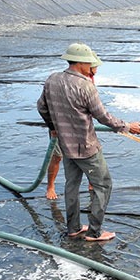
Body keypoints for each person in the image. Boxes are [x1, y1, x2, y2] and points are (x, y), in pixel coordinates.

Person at [37, 43, 140, 242]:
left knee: (71, 185)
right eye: (90, 63)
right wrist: (128, 126)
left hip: (65, 145)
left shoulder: (52, 79)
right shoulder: (85, 86)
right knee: (103, 185)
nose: (92, 67)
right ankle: (94, 232)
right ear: (81, 63)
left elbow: (42, 107)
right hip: (86, 147)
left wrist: (53, 127)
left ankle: (73, 228)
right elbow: (102, 116)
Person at [45, 51, 102, 200]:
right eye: (91, 71)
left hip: (80, 128)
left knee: (89, 153)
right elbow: (43, 105)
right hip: (62, 127)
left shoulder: (88, 80)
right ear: (83, 65)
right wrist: (53, 127)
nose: (92, 75)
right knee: (57, 156)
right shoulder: (61, 81)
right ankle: (50, 186)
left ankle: (92, 183)